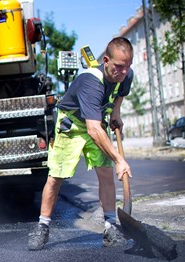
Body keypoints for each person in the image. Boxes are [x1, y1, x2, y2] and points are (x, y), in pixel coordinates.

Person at [28, 37, 134, 251]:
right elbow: (93, 129)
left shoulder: (126, 74)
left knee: (105, 173)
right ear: (106, 60)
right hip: (72, 125)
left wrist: (116, 112)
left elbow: (120, 94)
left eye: (127, 67)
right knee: (56, 176)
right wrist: (119, 159)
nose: (123, 72)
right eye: (119, 67)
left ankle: (110, 227)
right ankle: (43, 226)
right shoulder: (90, 82)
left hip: (96, 122)